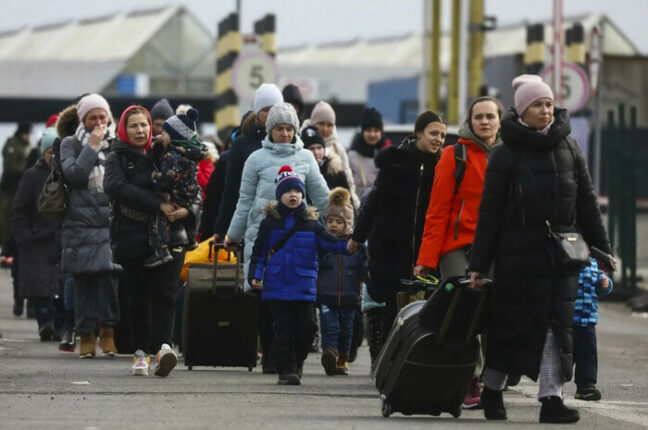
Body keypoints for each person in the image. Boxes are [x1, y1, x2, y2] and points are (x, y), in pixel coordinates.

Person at [468, 75, 611, 424]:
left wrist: (603, 251)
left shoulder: (569, 147)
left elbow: (587, 203)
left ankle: (551, 399)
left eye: (548, 104)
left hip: (562, 255)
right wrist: (479, 263)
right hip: (518, 255)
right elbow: (489, 213)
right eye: (538, 105)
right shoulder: (505, 154)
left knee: (556, 329)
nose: (546, 110)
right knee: (510, 327)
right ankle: (492, 390)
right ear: (522, 111)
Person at [224, 102, 330, 373]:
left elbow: (320, 193)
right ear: (270, 130)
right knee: (266, 303)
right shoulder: (255, 159)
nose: (284, 133)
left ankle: (294, 356)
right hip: (265, 238)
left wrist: (341, 222)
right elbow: (244, 201)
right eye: (279, 128)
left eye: (289, 128)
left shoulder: (305, 157)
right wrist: (233, 235)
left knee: (299, 308)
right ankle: (273, 355)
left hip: (300, 241)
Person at [414, 97, 504, 408]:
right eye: (478, 116)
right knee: (463, 307)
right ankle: (471, 378)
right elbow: (436, 210)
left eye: (490, 116)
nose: (485, 122)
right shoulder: (455, 155)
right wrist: (426, 259)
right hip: (457, 247)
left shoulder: (509, 156)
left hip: (497, 248)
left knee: (497, 311)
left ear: (499, 121)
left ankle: (495, 377)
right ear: (470, 120)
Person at [104, 105, 202, 377]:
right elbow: (116, 187)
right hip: (133, 236)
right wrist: (157, 206)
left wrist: (189, 209)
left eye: (144, 125)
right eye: (134, 126)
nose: (140, 130)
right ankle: (140, 354)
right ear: (124, 129)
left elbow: (193, 184)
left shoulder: (168, 151)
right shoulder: (117, 157)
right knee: (137, 298)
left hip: (171, 235)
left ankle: (163, 348)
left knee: (165, 295)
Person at [347, 111, 446, 348]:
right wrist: (358, 237)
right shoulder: (396, 162)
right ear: (419, 133)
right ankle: (387, 361)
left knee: (428, 308)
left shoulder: (444, 166)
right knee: (393, 306)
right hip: (392, 249)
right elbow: (374, 201)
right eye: (434, 133)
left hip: (428, 251)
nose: (439, 139)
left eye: (442, 135)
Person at [248, 166, 350, 385]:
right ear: (279, 195)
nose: (293, 195)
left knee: (307, 329)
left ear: (303, 195)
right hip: (277, 286)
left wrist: (352, 243)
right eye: (287, 191)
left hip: (304, 285)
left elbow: (332, 244)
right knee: (283, 330)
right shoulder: (270, 223)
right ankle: (287, 370)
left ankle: (298, 360)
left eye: (297, 191)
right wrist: (255, 275)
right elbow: (260, 251)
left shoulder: (312, 224)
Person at [59, 93, 121, 359]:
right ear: (82, 120)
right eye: (92, 117)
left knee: (109, 281)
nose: (98, 122)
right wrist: (92, 147)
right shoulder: (69, 144)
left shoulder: (118, 144)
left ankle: (107, 332)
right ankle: (85, 334)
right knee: (83, 280)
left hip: (109, 221)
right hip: (80, 223)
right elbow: (74, 176)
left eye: (102, 116)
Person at [213, 83, 283, 241]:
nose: (271, 114)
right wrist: (222, 229)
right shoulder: (241, 145)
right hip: (253, 225)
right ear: (257, 112)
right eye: (266, 110)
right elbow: (232, 190)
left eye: (275, 109)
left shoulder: (293, 142)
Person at [11, 127, 62, 341]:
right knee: (41, 291)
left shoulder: (66, 174)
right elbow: (20, 209)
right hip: (37, 240)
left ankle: (59, 328)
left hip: (59, 239)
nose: (53, 157)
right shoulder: (33, 176)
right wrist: (24, 236)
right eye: (50, 152)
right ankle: (45, 324)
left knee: (59, 290)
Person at [146, 108, 206, 267]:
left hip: (177, 195)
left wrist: (153, 177)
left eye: (165, 132)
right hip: (189, 192)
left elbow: (166, 182)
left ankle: (161, 250)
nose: (160, 134)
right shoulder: (190, 153)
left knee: (159, 218)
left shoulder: (173, 157)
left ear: (175, 137)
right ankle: (192, 239)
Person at [317, 187, 367, 375]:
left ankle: (342, 360)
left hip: (349, 296)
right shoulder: (323, 243)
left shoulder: (357, 246)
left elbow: (364, 265)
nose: (333, 225)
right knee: (330, 327)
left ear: (348, 223)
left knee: (346, 331)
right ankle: (329, 353)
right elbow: (316, 263)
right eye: (330, 221)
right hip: (326, 295)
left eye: (339, 222)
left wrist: (367, 274)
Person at [304, 101, 359, 207]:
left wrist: (352, 204)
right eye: (321, 124)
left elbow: (348, 179)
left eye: (329, 125)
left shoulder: (337, 148)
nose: (325, 128)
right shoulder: (302, 141)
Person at [573, 255, 612, 401]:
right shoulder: (566, 261)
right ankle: (555, 387)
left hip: (588, 321)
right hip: (567, 320)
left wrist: (605, 284)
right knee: (563, 355)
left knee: (588, 355)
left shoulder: (594, 264)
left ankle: (586, 387)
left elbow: (602, 286)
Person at [347, 107, 390, 199]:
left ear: (381, 132)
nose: (372, 134)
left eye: (376, 131)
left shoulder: (390, 154)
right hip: (358, 207)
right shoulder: (352, 155)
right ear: (363, 132)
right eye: (368, 130)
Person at [0, 121, 32, 245]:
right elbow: (11, 168)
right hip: (10, 189)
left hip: (22, 188)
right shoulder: (12, 145)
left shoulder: (27, 145)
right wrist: (27, 169)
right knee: (8, 219)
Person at [302, 126, 349, 191]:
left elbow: (347, 198)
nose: (316, 152)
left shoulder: (335, 170)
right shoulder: (300, 171)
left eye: (319, 148)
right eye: (311, 148)